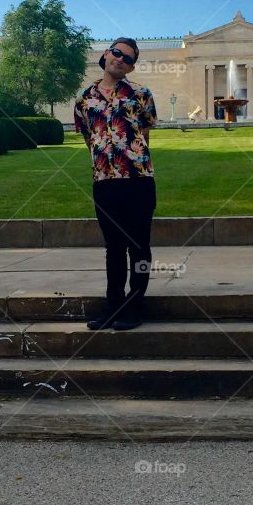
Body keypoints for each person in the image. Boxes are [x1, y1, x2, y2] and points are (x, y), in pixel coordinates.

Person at [73, 38, 157, 330]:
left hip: (138, 180)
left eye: (128, 59)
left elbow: (144, 134)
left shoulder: (141, 95)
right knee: (113, 247)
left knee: (139, 245)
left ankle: (135, 306)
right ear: (106, 54)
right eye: (117, 53)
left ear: (131, 67)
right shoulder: (84, 99)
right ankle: (113, 305)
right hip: (105, 182)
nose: (121, 59)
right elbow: (88, 139)